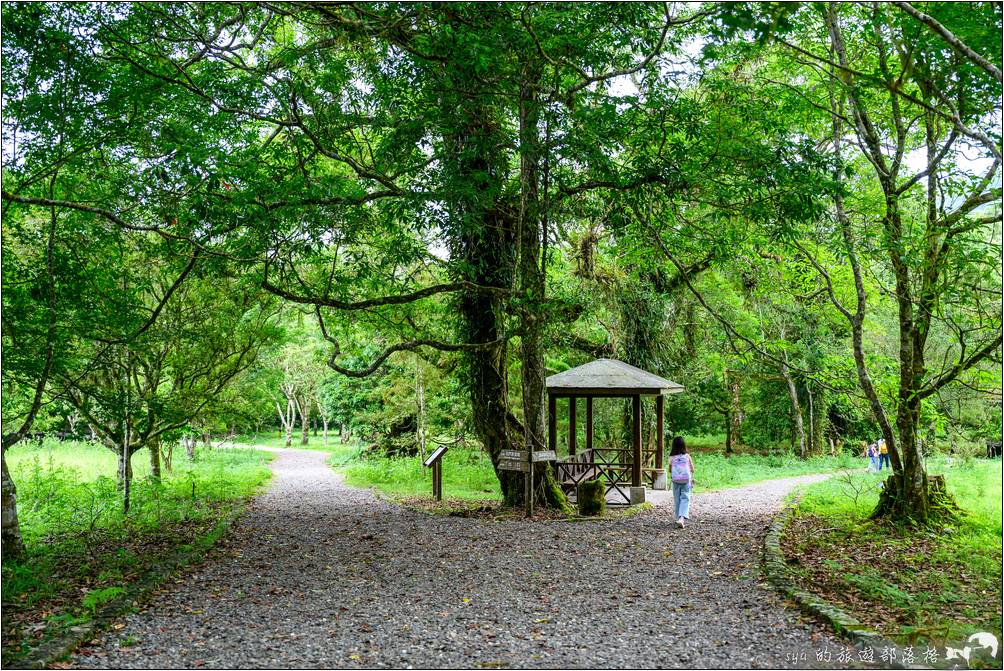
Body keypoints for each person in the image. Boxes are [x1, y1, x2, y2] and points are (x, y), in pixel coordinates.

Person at [669, 436, 694, 529]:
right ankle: (681, 518)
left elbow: (670, 470)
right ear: (684, 445)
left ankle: (678, 517)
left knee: (677, 499)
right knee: (685, 498)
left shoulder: (671, 457)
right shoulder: (687, 456)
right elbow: (692, 469)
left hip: (676, 481)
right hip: (686, 480)